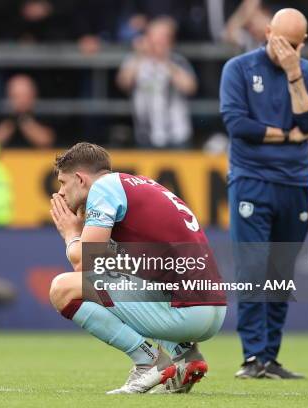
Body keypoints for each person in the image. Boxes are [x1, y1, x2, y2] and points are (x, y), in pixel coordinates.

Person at [48, 142, 226, 394]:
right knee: (115, 275)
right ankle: (184, 355)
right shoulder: (139, 184)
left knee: (62, 289)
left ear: (80, 178)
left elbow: (84, 262)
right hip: (212, 309)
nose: (61, 193)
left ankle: (148, 361)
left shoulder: (103, 189)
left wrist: (71, 234)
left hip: (186, 311)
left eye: (63, 183)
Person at [220, 8, 308, 379]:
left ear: (303, 43)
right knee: (252, 268)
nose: (285, 50)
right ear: (267, 32)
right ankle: (252, 357)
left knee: (281, 271)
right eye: (280, 41)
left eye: (294, 45)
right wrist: (287, 134)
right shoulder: (239, 68)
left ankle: (270, 356)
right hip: (251, 178)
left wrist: (295, 73)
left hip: (295, 181)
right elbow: (237, 124)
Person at [116, 17, 197, 148]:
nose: (157, 41)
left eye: (163, 37)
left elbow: (190, 87)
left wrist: (165, 60)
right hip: (145, 135)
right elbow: (123, 83)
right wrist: (139, 55)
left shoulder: (177, 60)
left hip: (176, 136)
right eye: (154, 36)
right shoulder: (135, 59)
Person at [3, 74, 55, 148]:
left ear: (34, 95)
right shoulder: (1, 113)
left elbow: (46, 141)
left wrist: (23, 120)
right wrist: (9, 124)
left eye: (24, 95)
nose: (20, 101)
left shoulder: (45, 113)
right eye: (16, 96)